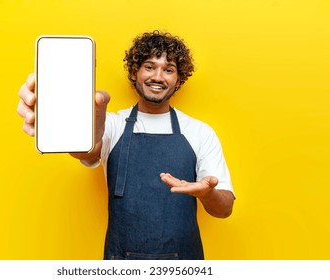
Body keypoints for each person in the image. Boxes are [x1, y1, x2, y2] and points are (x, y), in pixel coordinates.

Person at [17, 30, 235, 260]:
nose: (158, 76)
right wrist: (60, 119)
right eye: (149, 67)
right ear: (134, 72)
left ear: (178, 79)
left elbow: (224, 209)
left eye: (168, 69)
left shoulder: (200, 132)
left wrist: (207, 192)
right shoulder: (111, 124)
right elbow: (87, 149)